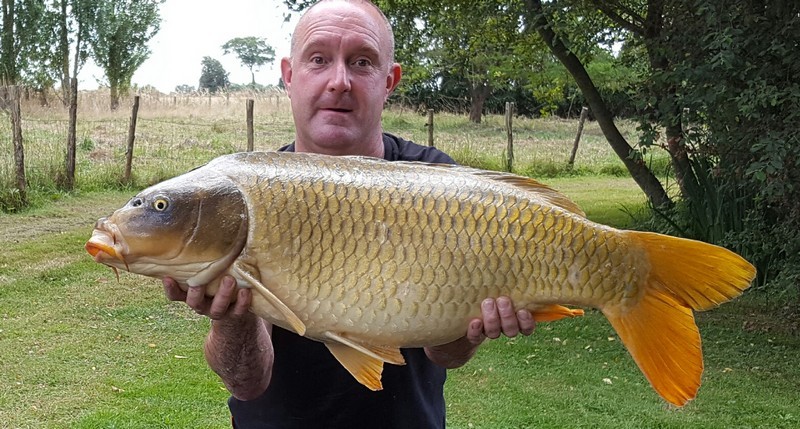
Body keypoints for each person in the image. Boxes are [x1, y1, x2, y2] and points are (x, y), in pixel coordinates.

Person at [162, 1, 535, 427]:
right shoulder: (251, 195)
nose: (339, 81)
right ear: (289, 76)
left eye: (362, 62)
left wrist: (475, 324)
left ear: (389, 81)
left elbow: (445, 354)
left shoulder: (438, 184)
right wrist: (231, 318)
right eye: (319, 59)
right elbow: (247, 382)